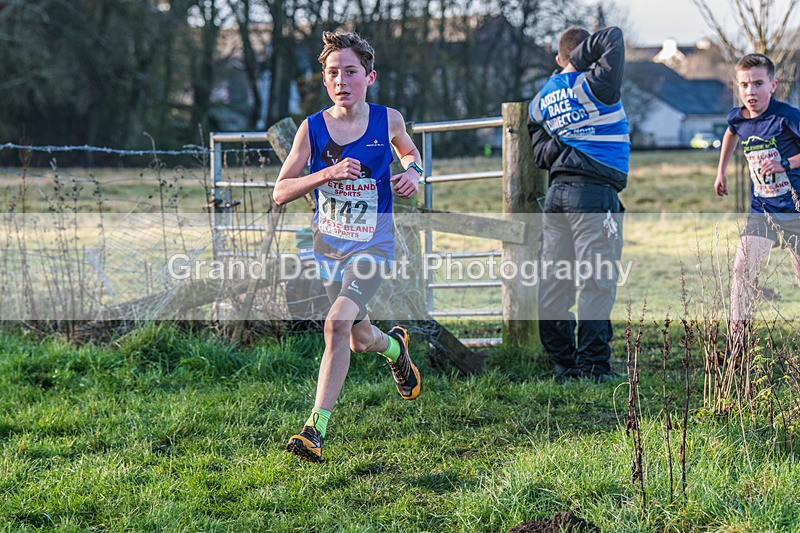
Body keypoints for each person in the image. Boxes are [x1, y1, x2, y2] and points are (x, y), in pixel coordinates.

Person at [273, 31, 424, 462]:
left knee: (337, 324)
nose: (342, 80)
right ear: (324, 80)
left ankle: (313, 430)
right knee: (358, 339)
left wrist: (415, 174)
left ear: (369, 76)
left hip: (373, 246)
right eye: (333, 72)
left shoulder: (388, 120)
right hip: (329, 250)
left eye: (351, 72)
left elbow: (411, 153)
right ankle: (396, 348)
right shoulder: (312, 128)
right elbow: (281, 191)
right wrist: (326, 174)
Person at [527, 26, 629, 383]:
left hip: (557, 197)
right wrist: (581, 62)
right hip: (594, 195)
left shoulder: (540, 99)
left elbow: (541, 155)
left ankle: (564, 365)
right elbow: (613, 36)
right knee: (596, 281)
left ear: (557, 58)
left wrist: (565, 137)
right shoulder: (596, 84)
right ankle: (595, 367)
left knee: (554, 281)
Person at [714, 53, 800, 355]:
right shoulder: (738, 117)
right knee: (741, 271)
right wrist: (721, 170)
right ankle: (737, 344)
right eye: (744, 85)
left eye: (758, 84)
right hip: (762, 210)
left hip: (795, 210)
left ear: (773, 85)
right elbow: (730, 132)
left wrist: (784, 163)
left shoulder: (787, 116)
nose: (751, 92)